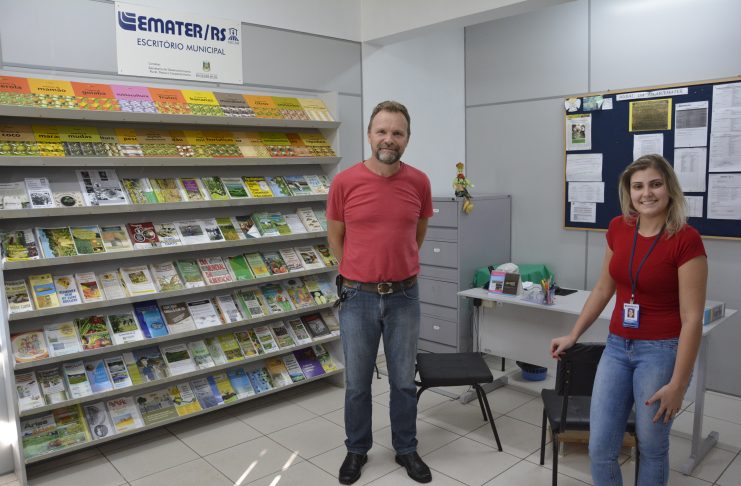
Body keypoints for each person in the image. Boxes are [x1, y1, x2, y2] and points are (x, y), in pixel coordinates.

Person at [550, 154, 707, 486]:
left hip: (661, 351)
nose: (646, 193)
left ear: (669, 188)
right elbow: (603, 288)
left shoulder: (685, 238)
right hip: (617, 347)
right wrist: (573, 335)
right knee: (600, 448)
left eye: (655, 184)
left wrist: (678, 386)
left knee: (651, 447)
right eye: (638, 186)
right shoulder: (618, 228)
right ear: (629, 192)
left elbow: (692, 318)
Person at [327, 100, 433, 485]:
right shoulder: (344, 182)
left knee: (403, 381)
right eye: (382, 131)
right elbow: (336, 237)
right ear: (370, 135)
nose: (389, 138)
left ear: (407, 138)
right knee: (357, 383)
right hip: (358, 297)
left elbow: (417, 234)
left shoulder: (419, 182)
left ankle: (406, 447)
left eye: (397, 133)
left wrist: (394, 265)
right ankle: (357, 449)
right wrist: (359, 271)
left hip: (405, 296)